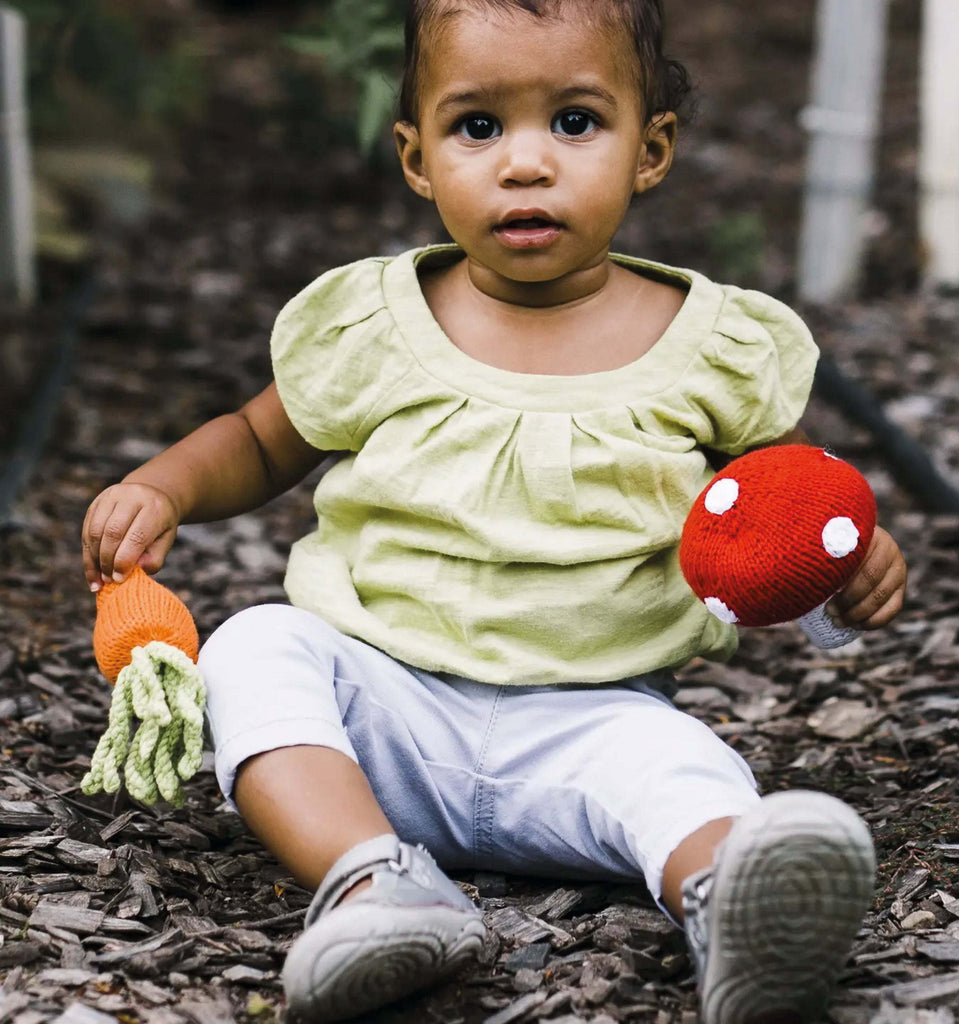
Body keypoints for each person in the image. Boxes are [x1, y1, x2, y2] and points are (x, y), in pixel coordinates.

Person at [80, 1, 908, 1021]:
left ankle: (729, 902)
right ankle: (373, 880)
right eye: (477, 127)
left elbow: (778, 506)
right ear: (416, 156)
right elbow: (258, 441)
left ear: (650, 150)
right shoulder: (377, 325)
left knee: (687, 770)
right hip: (380, 712)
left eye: (573, 122)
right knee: (256, 647)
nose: (524, 163)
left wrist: (849, 551)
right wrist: (161, 487)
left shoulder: (705, 346)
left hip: (597, 723)